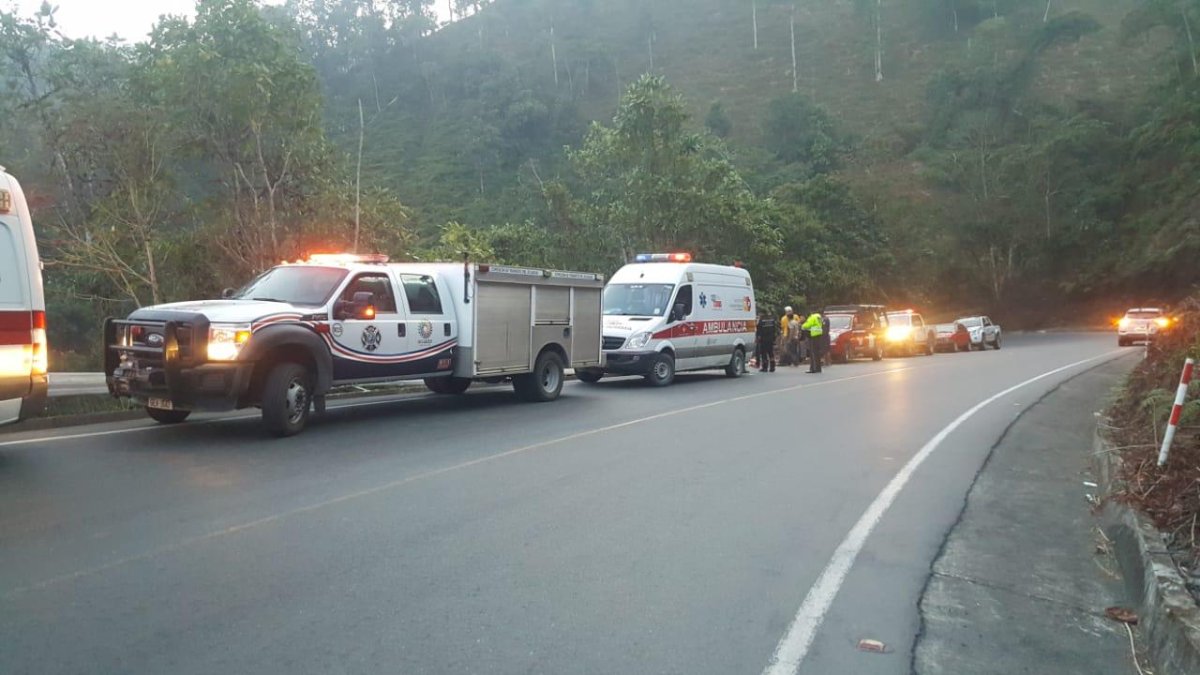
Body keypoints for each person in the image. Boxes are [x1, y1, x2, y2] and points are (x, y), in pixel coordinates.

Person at [801, 308, 825, 373]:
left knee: (813, 353)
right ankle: (818, 368)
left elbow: (808, 325)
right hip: (819, 334)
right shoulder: (819, 317)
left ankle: (813, 369)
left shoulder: (812, 317)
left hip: (813, 335)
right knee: (817, 353)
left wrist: (802, 326)